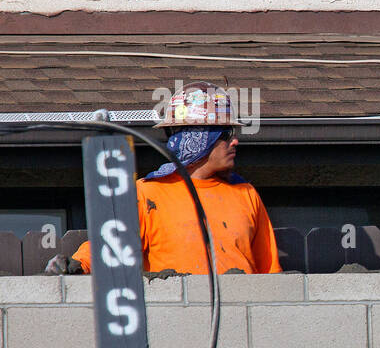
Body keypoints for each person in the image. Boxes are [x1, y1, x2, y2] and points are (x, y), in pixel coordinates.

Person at [52, 83, 281, 276]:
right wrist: (78, 265)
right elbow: (110, 244)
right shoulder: (147, 193)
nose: (235, 142)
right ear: (199, 138)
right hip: (177, 316)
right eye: (225, 135)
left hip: (240, 316)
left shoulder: (245, 193)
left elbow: (270, 271)